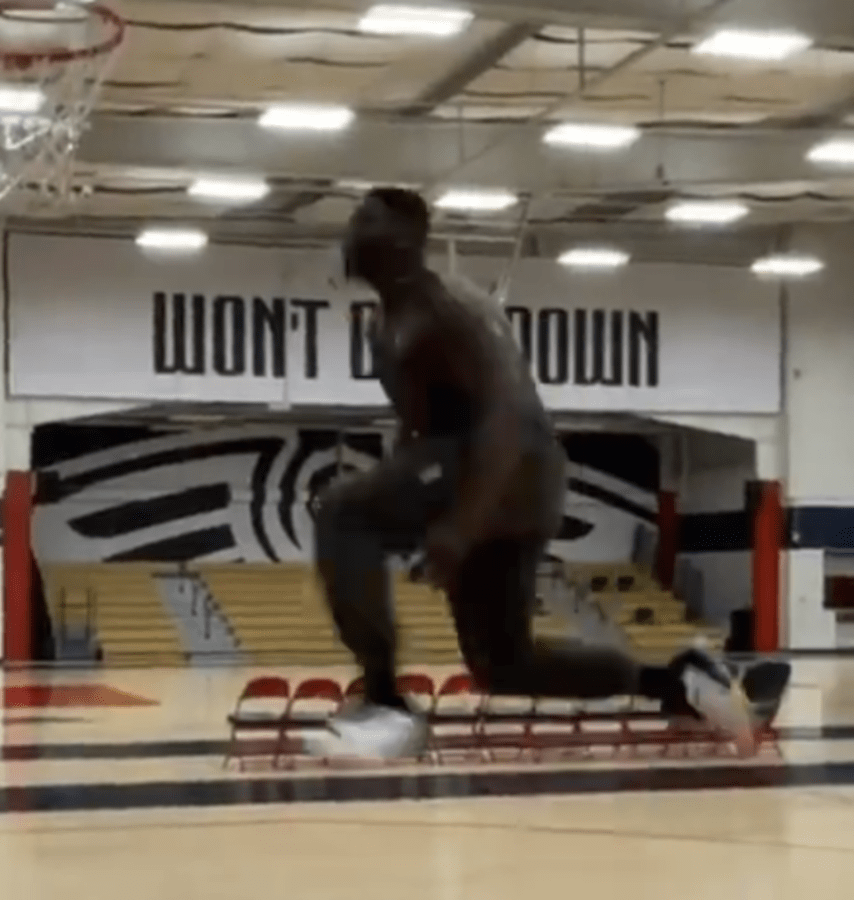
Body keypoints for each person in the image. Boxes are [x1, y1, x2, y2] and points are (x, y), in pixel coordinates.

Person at [311, 186, 756, 759]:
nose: (352, 235)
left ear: (405, 242)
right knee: (504, 665)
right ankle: (678, 682)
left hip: (511, 472)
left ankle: (386, 704)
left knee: (344, 512)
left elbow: (506, 425)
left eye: (367, 223)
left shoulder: (447, 313)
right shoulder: (383, 327)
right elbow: (419, 427)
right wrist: (418, 503)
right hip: (474, 473)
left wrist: (458, 525)